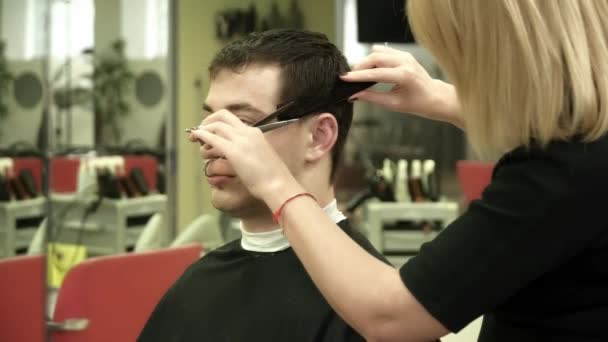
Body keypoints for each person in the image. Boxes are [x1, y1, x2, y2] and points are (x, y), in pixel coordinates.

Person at [191, 1, 608, 341]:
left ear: (320, 136)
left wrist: (274, 181)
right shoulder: (583, 152)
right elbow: (561, 127)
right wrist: (440, 98)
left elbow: (391, 316)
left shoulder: (568, 175)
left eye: (245, 125)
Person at [138, 29, 389, 342]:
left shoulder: (381, 308)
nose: (209, 145)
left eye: (241, 124)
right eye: (212, 124)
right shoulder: (197, 284)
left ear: (320, 137)